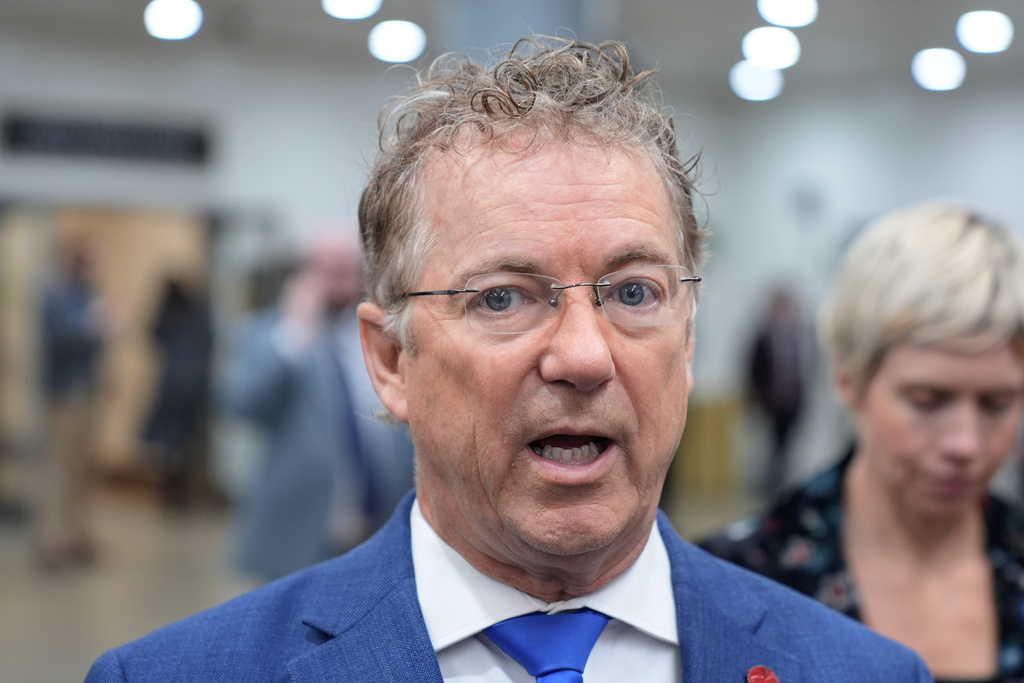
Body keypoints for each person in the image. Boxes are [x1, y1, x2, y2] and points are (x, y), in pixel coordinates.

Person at [85, 37, 931, 682]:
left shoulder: (864, 672)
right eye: (502, 297)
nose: (583, 356)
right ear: (389, 359)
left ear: (690, 341)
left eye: (633, 293)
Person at [701, 202, 1024, 682]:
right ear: (848, 379)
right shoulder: (737, 580)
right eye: (926, 400)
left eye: (997, 404)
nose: (966, 444)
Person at [220, 231, 415, 581]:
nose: (340, 282)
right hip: (298, 532)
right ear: (302, 275)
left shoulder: (380, 339)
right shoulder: (271, 333)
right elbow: (243, 404)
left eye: (350, 269)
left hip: (379, 526)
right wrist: (295, 330)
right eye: (327, 270)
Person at [35, 242, 110, 571]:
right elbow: (63, 341)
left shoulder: (87, 295)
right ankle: (52, 541)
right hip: (65, 396)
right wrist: (91, 326)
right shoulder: (55, 297)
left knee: (82, 471)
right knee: (60, 472)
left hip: (87, 393)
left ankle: (77, 535)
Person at [141, 277, 214, 511]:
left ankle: (173, 491)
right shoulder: (195, 315)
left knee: (174, 443)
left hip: (176, 386)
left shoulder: (175, 316)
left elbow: (154, 334)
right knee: (180, 443)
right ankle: (177, 492)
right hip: (191, 386)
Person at [747, 286, 812, 496]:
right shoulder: (764, 337)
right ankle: (769, 486)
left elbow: (806, 368)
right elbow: (753, 370)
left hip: (794, 402)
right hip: (771, 403)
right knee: (771, 445)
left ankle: (782, 484)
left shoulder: (800, 337)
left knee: (788, 445)